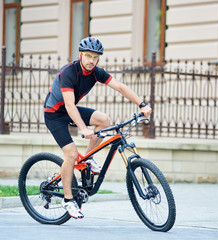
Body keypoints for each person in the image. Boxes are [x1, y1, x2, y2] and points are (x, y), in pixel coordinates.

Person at [44, 37, 152, 219]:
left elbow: (119, 86)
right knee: (71, 154)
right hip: (55, 114)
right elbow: (69, 106)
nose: (91, 61)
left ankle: (88, 158)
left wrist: (142, 104)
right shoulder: (69, 73)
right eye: (88, 56)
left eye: (95, 57)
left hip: (70, 111)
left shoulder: (96, 72)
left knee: (104, 120)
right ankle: (68, 200)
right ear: (80, 55)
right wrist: (84, 129)